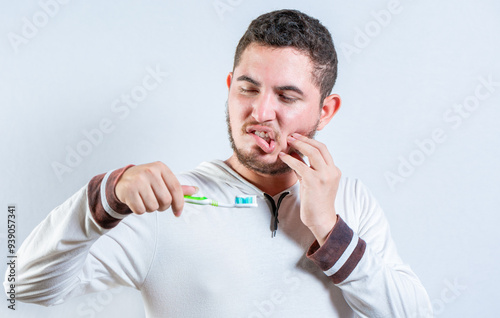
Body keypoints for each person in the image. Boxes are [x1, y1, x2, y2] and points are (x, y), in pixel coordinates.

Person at [4, 9, 432, 317]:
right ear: (230, 87)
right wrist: (104, 198)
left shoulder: (352, 202)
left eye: (286, 96)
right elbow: (17, 286)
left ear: (326, 110)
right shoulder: (164, 203)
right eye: (248, 88)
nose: (261, 112)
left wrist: (329, 229)